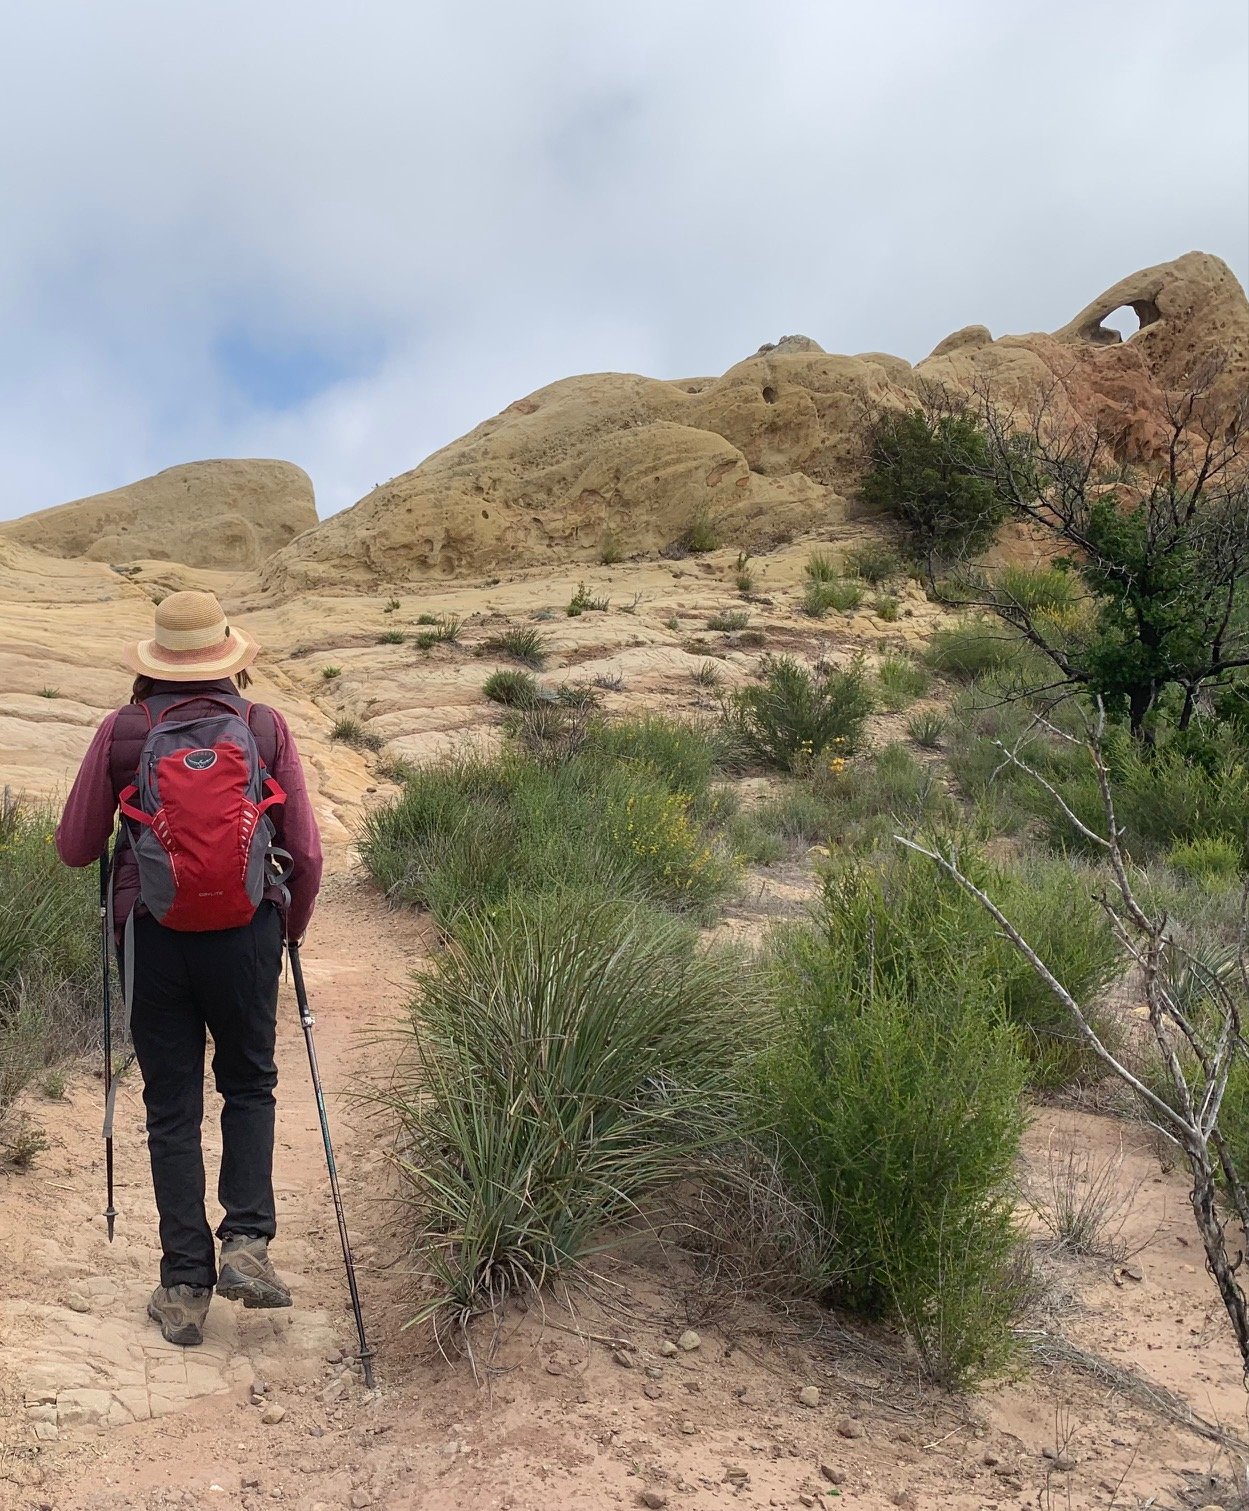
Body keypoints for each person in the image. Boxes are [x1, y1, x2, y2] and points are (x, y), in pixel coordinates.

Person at [56, 590, 323, 1347]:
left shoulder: (123, 730)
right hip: (247, 933)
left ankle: (182, 1286)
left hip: (154, 936)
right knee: (250, 1082)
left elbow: (76, 846)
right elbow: (305, 852)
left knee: (171, 1107)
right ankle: (246, 1243)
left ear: (156, 661)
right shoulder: (264, 726)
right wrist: (286, 932)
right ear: (226, 655)